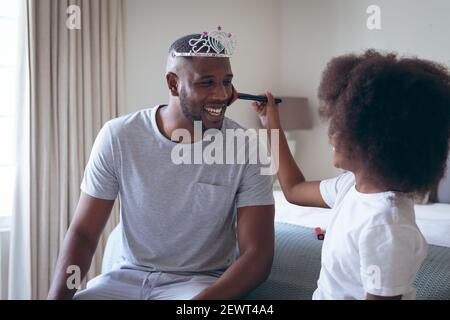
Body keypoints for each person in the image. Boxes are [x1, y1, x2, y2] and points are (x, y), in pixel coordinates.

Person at [47, 30, 275, 300]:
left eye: (227, 81)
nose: (223, 94)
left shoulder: (246, 148)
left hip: (197, 286)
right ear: (173, 84)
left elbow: (257, 254)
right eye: (207, 83)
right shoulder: (118, 136)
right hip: (125, 279)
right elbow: (83, 233)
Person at [252, 50, 450, 300]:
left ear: (377, 141)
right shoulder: (350, 187)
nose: (332, 135)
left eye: (342, 126)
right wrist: (272, 125)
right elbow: (293, 189)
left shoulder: (386, 226)